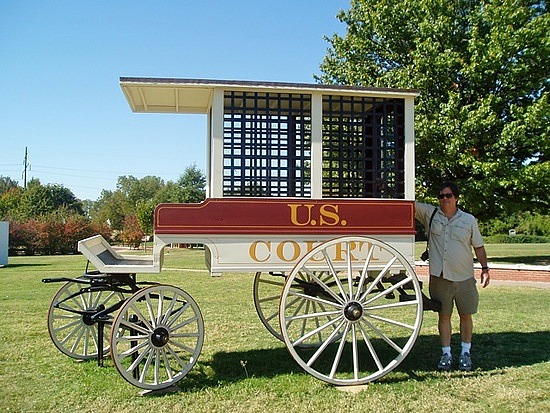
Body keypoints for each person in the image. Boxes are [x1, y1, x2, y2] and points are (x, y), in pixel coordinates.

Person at [415, 182, 490, 371]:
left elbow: (478, 246)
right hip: (440, 277)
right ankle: (446, 354)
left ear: (456, 198)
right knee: (444, 316)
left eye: (448, 196)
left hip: (464, 277)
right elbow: (409, 204)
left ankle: (466, 353)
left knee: (466, 315)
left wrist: (485, 268)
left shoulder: (468, 220)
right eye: (441, 196)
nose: (444, 199)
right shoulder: (430, 214)